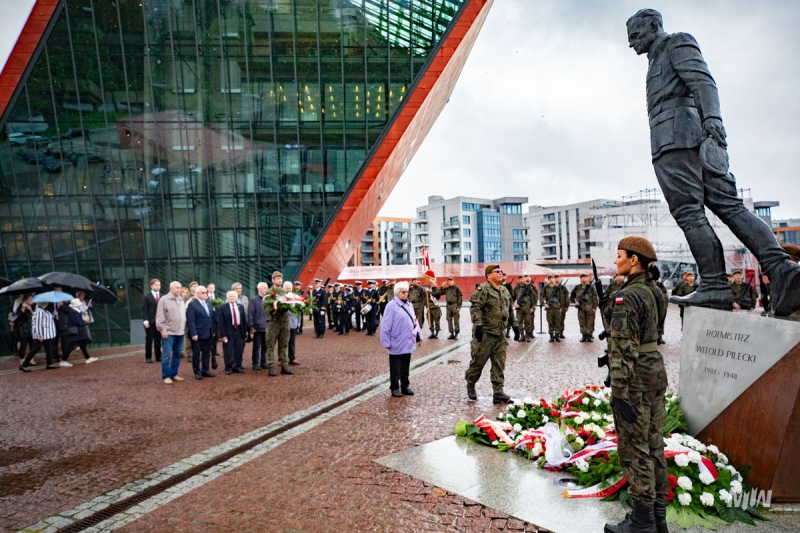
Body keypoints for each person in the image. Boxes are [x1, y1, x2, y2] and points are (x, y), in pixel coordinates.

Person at [626, 9, 800, 317]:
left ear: (654, 26)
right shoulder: (655, 60)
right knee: (729, 205)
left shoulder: (675, 43)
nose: (631, 44)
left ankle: (716, 285)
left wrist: (713, 121)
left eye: (636, 35)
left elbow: (703, 82)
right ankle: (782, 270)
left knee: (690, 212)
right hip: (686, 136)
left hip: (679, 139)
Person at [602, 236, 668, 533]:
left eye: (619, 255)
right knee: (654, 445)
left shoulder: (628, 296)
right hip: (654, 371)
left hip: (636, 379)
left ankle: (642, 523)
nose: (616, 260)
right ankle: (658, 518)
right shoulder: (655, 291)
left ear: (634, 260)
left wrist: (619, 393)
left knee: (634, 448)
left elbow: (624, 346)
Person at [465, 264, 517, 404]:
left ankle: (498, 392)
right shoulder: (483, 290)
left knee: (499, 364)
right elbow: (475, 308)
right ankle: (471, 384)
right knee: (478, 363)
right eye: (497, 271)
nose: (501, 273)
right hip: (485, 334)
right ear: (489, 275)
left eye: (501, 271)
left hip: (500, 334)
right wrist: (478, 326)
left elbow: (509, 310)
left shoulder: (505, 291)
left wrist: (515, 326)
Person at [380, 281, 419, 397]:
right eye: (403, 292)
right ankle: (394, 387)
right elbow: (386, 325)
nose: (406, 294)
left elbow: (414, 321)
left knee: (405, 365)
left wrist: (419, 335)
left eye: (407, 292)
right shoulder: (391, 306)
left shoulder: (409, 304)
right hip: (396, 340)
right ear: (397, 293)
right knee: (395, 366)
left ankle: (405, 385)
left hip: (407, 340)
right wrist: (386, 341)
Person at [156, 281, 186, 384]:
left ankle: (174, 374)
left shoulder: (181, 299)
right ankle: (166, 376)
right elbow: (160, 317)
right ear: (171, 288)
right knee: (167, 354)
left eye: (180, 287)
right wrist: (163, 330)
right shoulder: (164, 299)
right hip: (169, 332)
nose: (179, 289)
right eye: (177, 288)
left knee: (177, 354)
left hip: (180, 332)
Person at [264, 272, 293, 376]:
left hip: (284, 321)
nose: (279, 280)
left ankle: (284, 364)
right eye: (277, 278)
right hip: (273, 321)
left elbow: (291, 304)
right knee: (270, 344)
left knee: (284, 343)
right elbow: (266, 306)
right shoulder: (268, 292)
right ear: (273, 280)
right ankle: (271, 366)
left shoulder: (285, 292)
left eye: (281, 278)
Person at [186, 285, 217, 379]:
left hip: (208, 332)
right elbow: (191, 321)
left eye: (205, 293)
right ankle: (197, 372)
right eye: (202, 293)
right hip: (198, 333)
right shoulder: (192, 304)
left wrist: (213, 330)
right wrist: (194, 333)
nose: (205, 294)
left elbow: (211, 318)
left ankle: (205, 370)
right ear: (197, 294)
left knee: (206, 352)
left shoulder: (208, 303)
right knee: (196, 353)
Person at [218, 290, 246, 375]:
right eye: (230, 296)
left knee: (239, 350)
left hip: (238, 331)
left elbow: (244, 320)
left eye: (233, 296)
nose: (232, 297)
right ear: (227, 297)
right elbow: (220, 322)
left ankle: (237, 366)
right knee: (228, 350)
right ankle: (229, 367)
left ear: (237, 297)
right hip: (228, 332)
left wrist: (244, 332)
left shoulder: (241, 307)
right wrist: (223, 335)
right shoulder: (222, 307)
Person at [63, 298, 98, 365]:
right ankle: (63, 360)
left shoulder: (74, 311)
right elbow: (78, 322)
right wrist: (85, 321)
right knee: (70, 346)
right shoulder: (74, 312)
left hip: (78, 332)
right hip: (76, 332)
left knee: (82, 344)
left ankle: (88, 358)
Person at [26, 302, 59, 370]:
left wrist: (54, 315)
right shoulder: (39, 312)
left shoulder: (45, 311)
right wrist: (39, 335)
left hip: (48, 334)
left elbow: (48, 320)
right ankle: (24, 364)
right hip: (43, 334)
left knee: (49, 349)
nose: (47, 304)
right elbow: (38, 324)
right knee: (35, 349)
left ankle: (50, 363)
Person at [571, 273, 599, 342]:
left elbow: (595, 297)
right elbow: (572, 295)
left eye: (585, 277)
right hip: (581, 308)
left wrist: (594, 307)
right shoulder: (577, 287)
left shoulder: (591, 287)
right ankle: (584, 336)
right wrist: (575, 302)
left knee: (590, 322)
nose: (583, 279)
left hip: (590, 308)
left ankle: (589, 336)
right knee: (582, 322)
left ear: (588, 278)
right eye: (582, 278)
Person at [248, 282, 269, 370]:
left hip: (267, 327)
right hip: (257, 328)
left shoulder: (269, 300)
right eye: (264, 288)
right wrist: (251, 327)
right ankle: (255, 363)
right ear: (258, 289)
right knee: (256, 347)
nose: (266, 289)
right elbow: (250, 314)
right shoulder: (253, 300)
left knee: (265, 346)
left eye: (266, 288)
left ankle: (264, 362)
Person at [540, 275, 568, 342]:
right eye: (550, 278)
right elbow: (541, 296)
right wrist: (543, 304)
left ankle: (557, 336)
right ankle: (551, 336)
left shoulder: (558, 288)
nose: (552, 280)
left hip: (557, 308)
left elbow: (562, 298)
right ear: (549, 280)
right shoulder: (545, 288)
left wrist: (561, 307)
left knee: (558, 322)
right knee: (550, 322)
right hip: (549, 308)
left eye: (553, 278)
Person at [141, 279, 162, 364]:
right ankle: (148, 357)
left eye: (159, 285)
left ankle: (158, 356)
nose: (158, 286)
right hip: (150, 321)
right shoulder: (147, 297)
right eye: (156, 285)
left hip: (159, 322)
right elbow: (144, 310)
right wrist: (145, 321)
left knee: (158, 340)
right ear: (151, 286)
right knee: (149, 340)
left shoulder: (162, 296)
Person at [513, 274, 538, 341]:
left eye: (523, 278)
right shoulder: (516, 288)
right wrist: (514, 304)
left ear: (525, 279)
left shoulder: (529, 288)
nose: (521, 280)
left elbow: (534, 298)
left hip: (527, 308)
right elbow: (512, 298)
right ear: (518, 280)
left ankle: (527, 335)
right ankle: (522, 335)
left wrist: (532, 307)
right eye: (520, 279)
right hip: (519, 309)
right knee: (519, 322)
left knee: (528, 321)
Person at [14, 294, 35, 367]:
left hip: (31, 328)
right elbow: (18, 319)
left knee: (32, 345)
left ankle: (31, 359)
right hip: (23, 329)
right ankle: (22, 360)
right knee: (23, 345)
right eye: (30, 299)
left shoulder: (32, 307)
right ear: (26, 299)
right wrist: (22, 310)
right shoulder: (21, 307)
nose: (32, 300)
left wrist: (31, 310)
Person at [286, 282, 301, 365]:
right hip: (284, 322)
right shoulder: (281, 298)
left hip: (293, 322)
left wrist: (299, 321)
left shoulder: (295, 297)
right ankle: (282, 358)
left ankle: (292, 357)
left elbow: (299, 310)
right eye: (287, 288)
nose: (288, 289)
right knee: (283, 342)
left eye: (289, 288)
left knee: (292, 341)